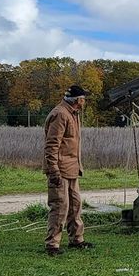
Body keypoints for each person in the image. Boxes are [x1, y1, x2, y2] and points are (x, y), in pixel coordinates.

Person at [43, 84, 94, 255]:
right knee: (60, 206)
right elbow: (51, 145)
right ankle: (52, 244)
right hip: (60, 169)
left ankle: (76, 239)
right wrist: (53, 170)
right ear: (77, 100)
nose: (84, 102)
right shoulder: (60, 114)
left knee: (75, 206)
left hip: (72, 168)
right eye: (83, 99)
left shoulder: (73, 114)